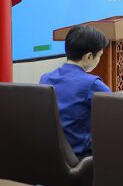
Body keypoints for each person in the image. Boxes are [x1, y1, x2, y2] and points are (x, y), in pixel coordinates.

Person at [39, 25, 111, 158]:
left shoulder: (45, 79)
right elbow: (115, 113)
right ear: (89, 56)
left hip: (49, 154)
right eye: (100, 55)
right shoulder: (92, 84)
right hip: (80, 156)